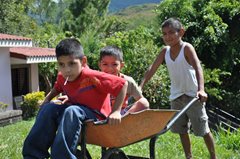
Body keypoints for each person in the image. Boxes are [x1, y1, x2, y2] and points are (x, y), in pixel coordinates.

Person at [22, 38, 128, 159]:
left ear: (83, 61)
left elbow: (123, 85)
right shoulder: (63, 76)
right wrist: (47, 100)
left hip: (97, 116)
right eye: (62, 64)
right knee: (48, 108)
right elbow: (57, 88)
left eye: (72, 63)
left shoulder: (93, 76)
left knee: (72, 110)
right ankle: (33, 155)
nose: (67, 69)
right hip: (76, 113)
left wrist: (116, 111)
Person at [139, 18, 217, 159]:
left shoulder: (186, 48)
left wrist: (201, 89)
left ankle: (213, 157)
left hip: (193, 96)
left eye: (171, 33)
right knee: (181, 130)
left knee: (203, 129)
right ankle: (189, 157)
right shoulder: (165, 51)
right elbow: (152, 69)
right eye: (164, 34)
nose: (167, 37)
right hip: (176, 96)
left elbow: (198, 67)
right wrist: (141, 85)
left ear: (181, 32)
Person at [98, 45, 149, 115]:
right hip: (101, 113)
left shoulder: (128, 81)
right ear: (99, 65)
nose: (110, 68)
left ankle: (123, 123)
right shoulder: (95, 80)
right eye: (105, 64)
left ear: (121, 65)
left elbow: (141, 100)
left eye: (114, 64)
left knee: (144, 102)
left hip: (121, 114)